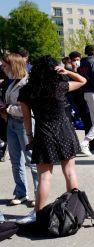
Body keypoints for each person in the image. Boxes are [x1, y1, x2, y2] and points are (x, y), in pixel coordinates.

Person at [16, 56, 87, 224]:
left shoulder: (26, 91)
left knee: (44, 177)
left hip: (43, 132)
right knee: (69, 172)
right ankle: (73, 210)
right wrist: (67, 71)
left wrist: (30, 137)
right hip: (64, 131)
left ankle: (38, 214)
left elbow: (26, 119)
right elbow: (83, 81)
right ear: (53, 70)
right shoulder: (60, 86)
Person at [0, 53, 38, 207]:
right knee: (16, 161)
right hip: (12, 123)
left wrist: (7, 108)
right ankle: (21, 192)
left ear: (13, 65)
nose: (2, 68)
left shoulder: (27, 82)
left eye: (4, 65)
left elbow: (27, 109)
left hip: (25, 124)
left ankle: (38, 193)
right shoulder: (13, 82)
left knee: (32, 161)